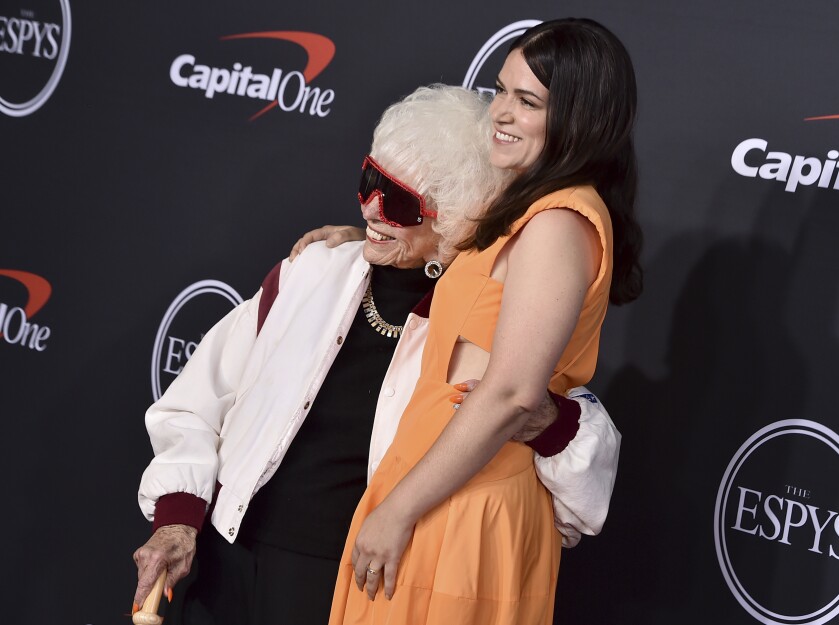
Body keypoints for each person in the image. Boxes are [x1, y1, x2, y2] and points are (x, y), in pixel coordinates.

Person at [132, 84, 621, 625]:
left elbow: (576, 468)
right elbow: (196, 400)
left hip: (350, 581)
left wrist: (548, 420)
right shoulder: (311, 273)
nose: (370, 207)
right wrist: (178, 516)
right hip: (224, 561)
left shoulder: (484, 321)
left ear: (458, 216)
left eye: (401, 201)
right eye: (371, 180)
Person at [326, 18, 642, 625]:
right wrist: (355, 239)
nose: (500, 112)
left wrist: (397, 511)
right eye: (502, 90)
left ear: (580, 118)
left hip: (467, 499)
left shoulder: (557, 223)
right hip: (437, 484)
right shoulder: (522, 209)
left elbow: (513, 394)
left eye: (528, 101)